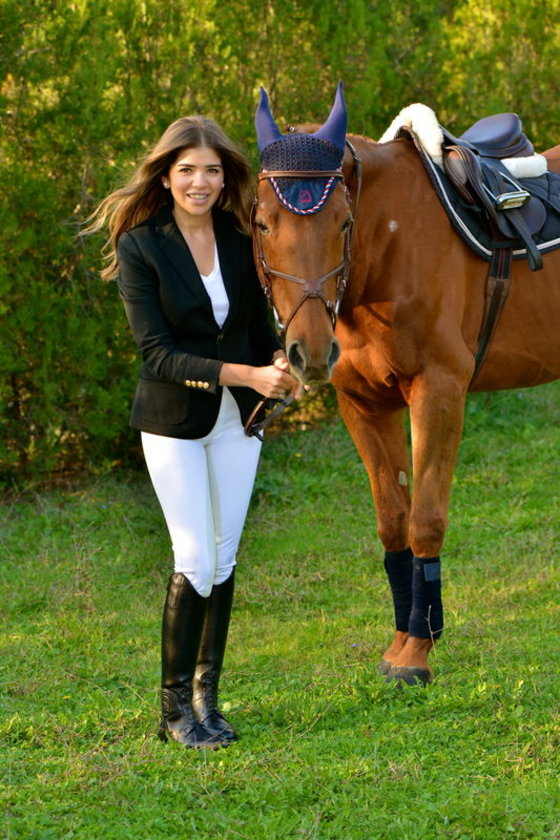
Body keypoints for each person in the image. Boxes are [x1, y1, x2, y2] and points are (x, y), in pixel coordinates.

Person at [88, 115, 297, 749]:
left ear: (225, 177)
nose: (199, 182)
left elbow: (257, 328)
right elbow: (158, 354)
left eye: (211, 170)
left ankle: (207, 700)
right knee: (195, 558)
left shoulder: (241, 238)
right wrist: (248, 374)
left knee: (224, 557)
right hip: (173, 424)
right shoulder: (141, 246)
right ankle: (174, 711)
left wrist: (280, 363)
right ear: (165, 176)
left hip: (239, 422)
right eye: (186, 171)